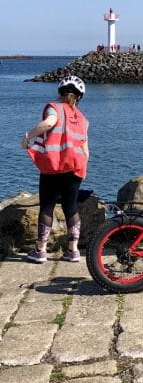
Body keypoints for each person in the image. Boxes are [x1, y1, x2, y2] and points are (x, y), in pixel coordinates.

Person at [21, 76, 90, 263]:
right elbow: (85, 148)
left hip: (53, 167)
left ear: (60, 93)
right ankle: (73, 251)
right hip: (75, 168)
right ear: (79, 97)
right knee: (71, 206)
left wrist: (28, 136)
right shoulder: (82, 119)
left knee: (48, 206)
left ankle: (40, 250)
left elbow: (50, 123)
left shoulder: (55, 107)